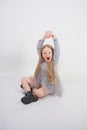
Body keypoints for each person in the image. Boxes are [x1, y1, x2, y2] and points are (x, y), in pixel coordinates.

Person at [20, 31, 63, 104]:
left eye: (49, 53)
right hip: (39, 81)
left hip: (48, 85)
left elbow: (57, 50)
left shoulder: (54, 61)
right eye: (45, 53)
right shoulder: (42, 60)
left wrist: (54, 37)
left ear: (52, 54)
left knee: (39, 93)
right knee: (23, 79)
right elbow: (38, 47)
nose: (47, 55)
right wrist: (44, 37)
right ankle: (29, 94)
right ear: (42, 55)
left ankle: (32, 91)